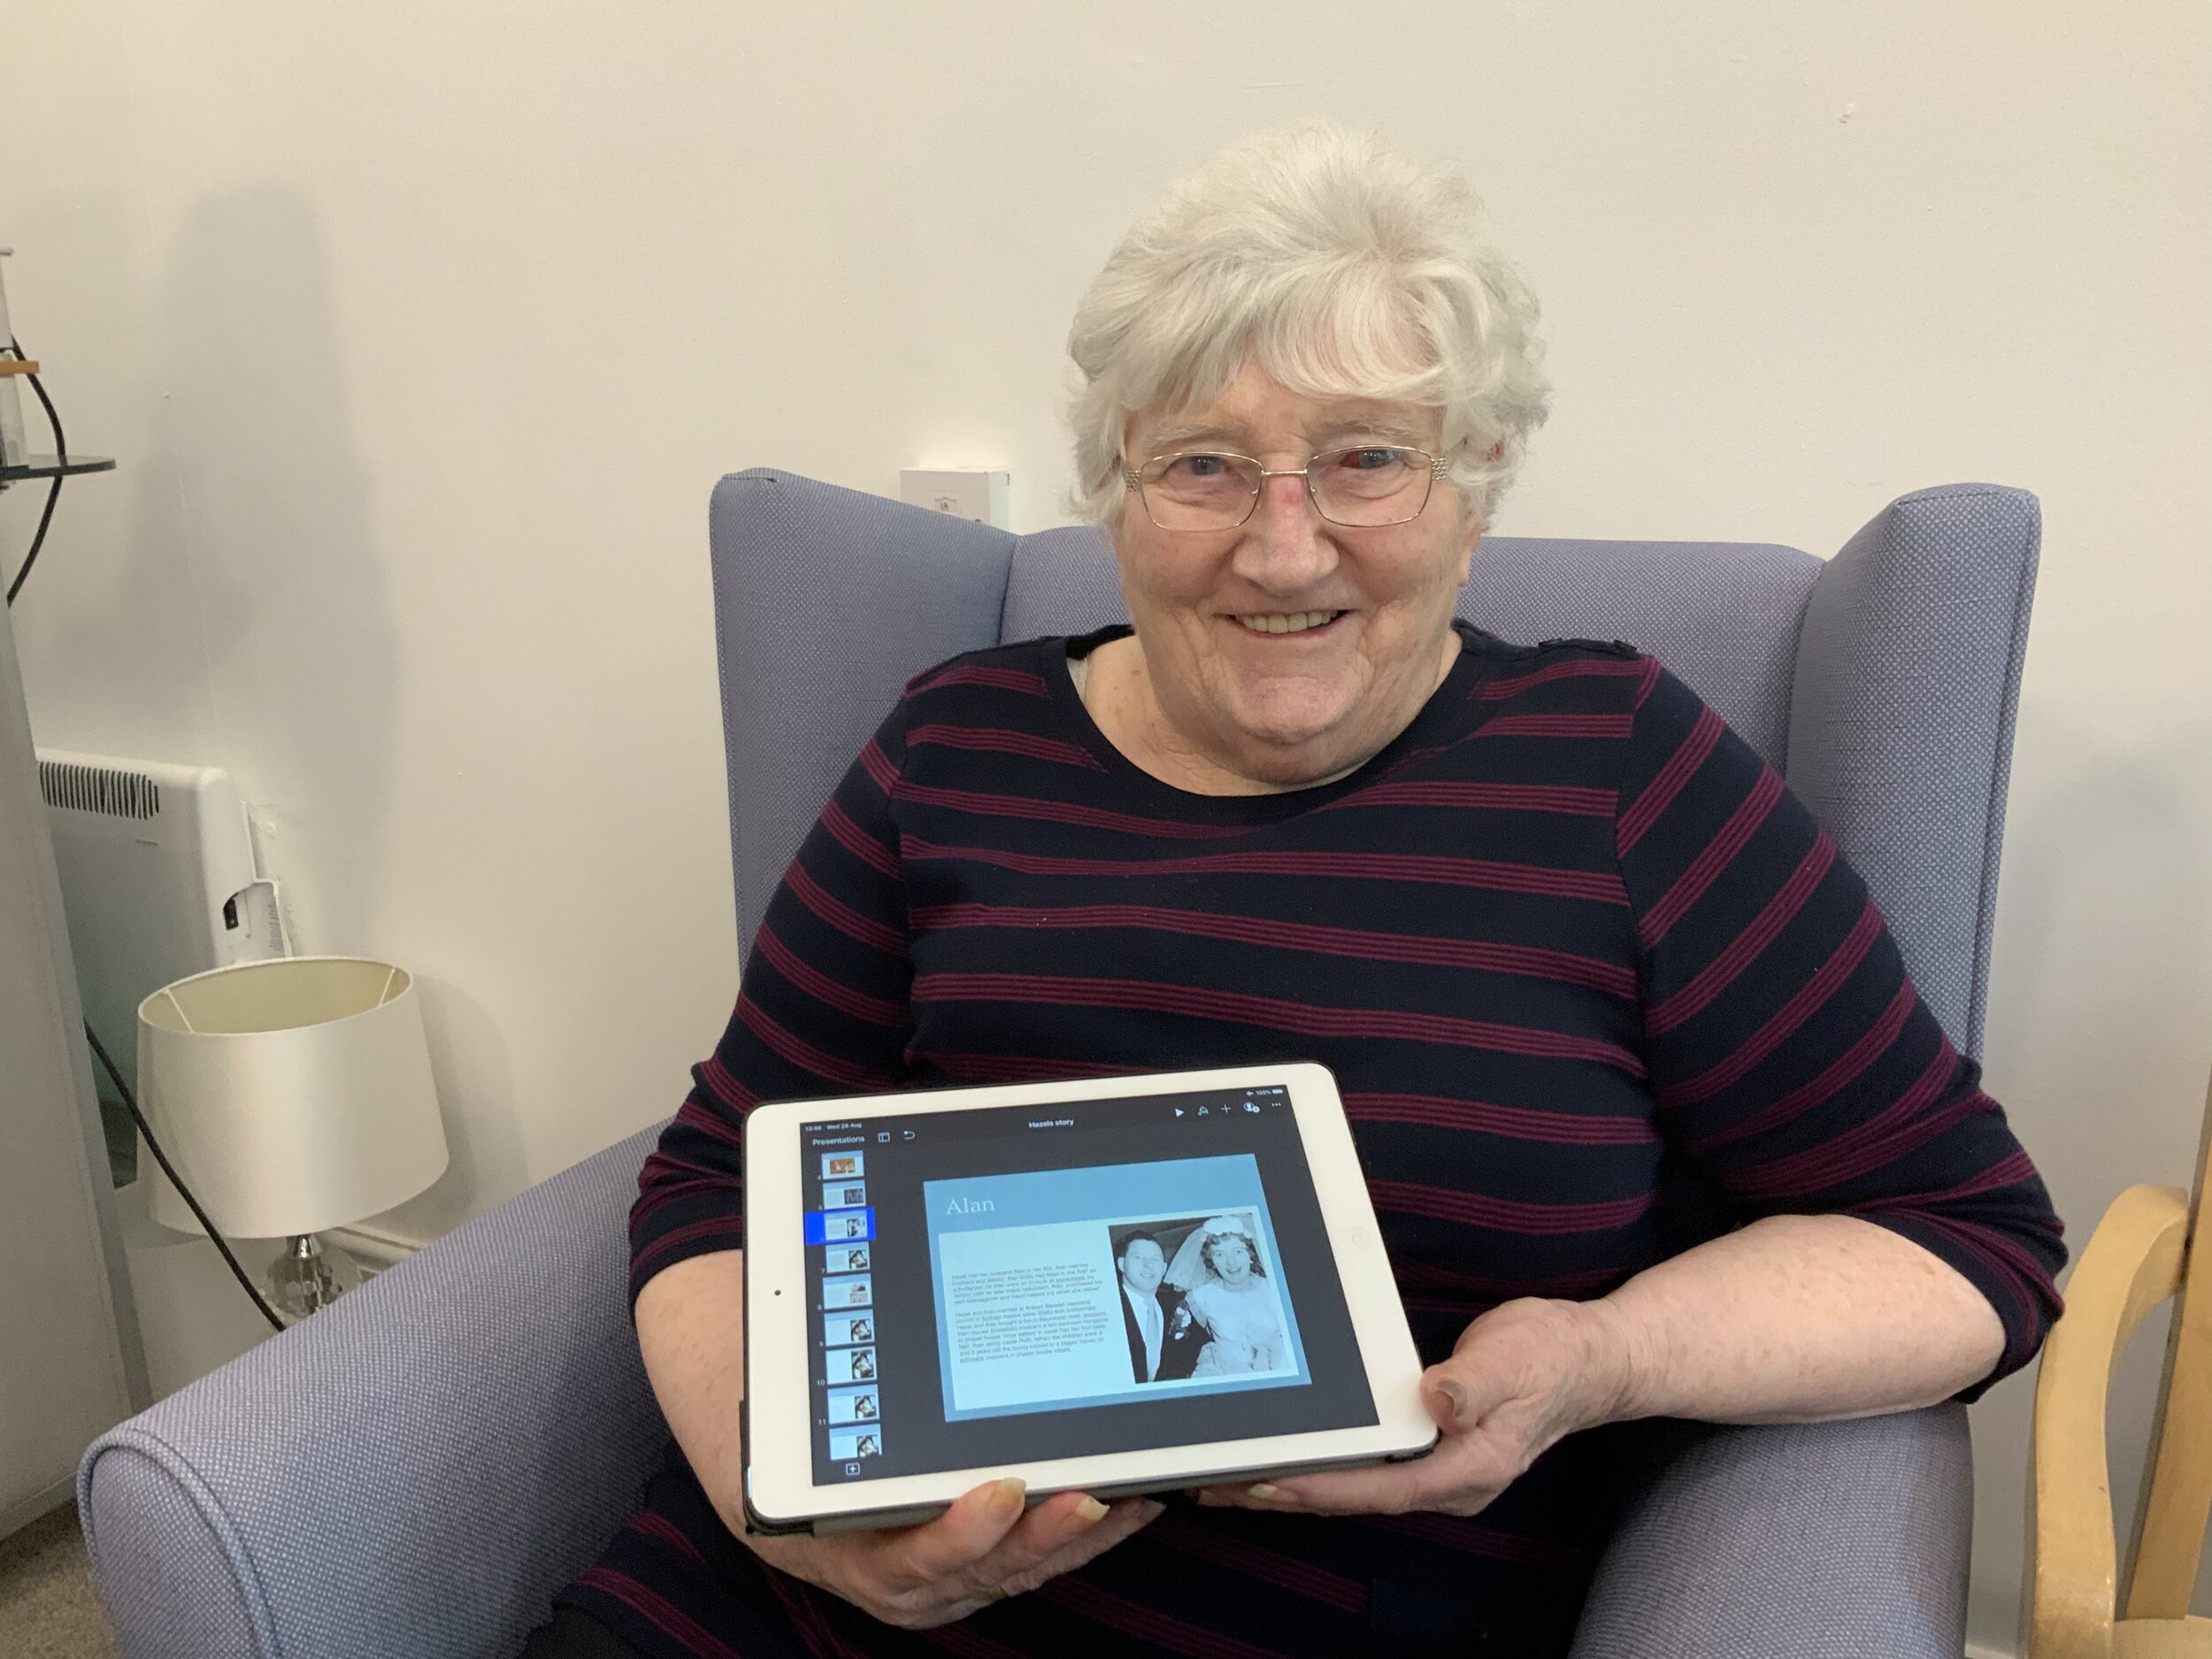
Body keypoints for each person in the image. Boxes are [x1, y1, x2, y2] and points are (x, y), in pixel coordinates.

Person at [530, 120, 2065, 1658]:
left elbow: (1963, 1242)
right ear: (1117, 495)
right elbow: (715, 1182)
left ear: (1474, 491)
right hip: (775, 1622)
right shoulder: (955, 747)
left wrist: (1595, 1361)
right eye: (1202, 465)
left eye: (1366, 460)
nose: (1281, 547)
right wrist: (779, 1518)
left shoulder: (1619, 770)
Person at [1165, 1218, 1289, 1376]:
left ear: (1250, 1254)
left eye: (1238, 1251)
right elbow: (1180, 1346)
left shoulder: (1274, 1288)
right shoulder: (1200, 1297)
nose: (1231, 1262)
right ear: (1212, 1261)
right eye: (1219, 1254)